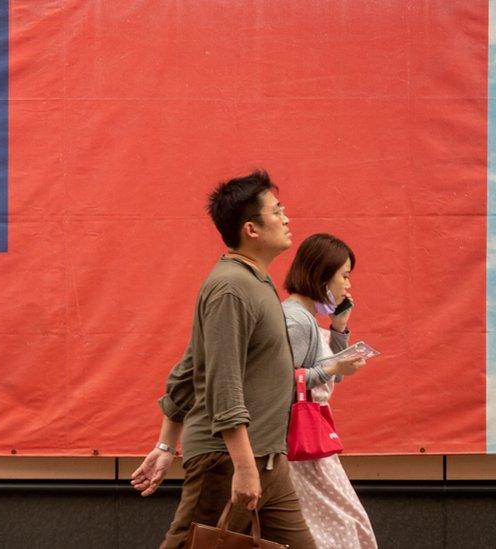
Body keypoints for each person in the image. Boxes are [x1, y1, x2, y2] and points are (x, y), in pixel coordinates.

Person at [131, 170, 317, 548]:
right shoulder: (230, 287)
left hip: (267, 459)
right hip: (226, 460)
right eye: (277, 211)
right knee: (190, 543)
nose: (286, 218)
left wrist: (166, 445)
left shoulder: (257, 281)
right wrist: (244, 467)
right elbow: (221, 381)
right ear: (251, 229)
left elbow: (190, 367)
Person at [281, 233, 377, 549]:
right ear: (322, 275)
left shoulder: (305, 316)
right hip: (299, 444)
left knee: (344, 527)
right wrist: (335, 368)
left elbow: (328, 379)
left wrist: (339, 329)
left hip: (309, 442)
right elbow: (280, 381)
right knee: (343, 529)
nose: (348, 285)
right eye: (344, 276)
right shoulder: (296, 320)